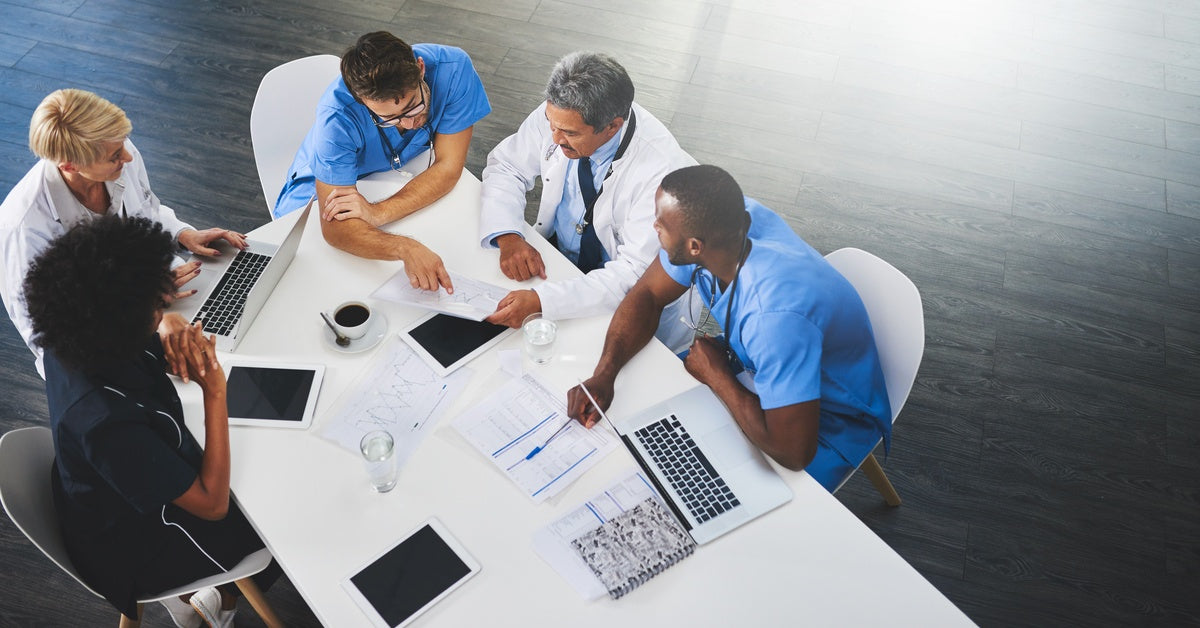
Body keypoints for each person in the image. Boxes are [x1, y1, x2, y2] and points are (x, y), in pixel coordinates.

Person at [566, 165, 893, 490]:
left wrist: (717, 376)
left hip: (827, 423)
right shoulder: (724, 221)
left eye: (660, 224)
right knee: (644, 435)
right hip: (754, 368)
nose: (653, 226)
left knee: (699, 490)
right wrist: (605, 374)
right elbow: (648, 294)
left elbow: (794, 453)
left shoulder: (773, 319)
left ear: (695, 246)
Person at [24, 215, 275, 628]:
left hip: (110, 489)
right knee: (272, 515)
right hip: (138, 545)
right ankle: (218, 599)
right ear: (120, 320)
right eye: (157, 305)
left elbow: (139, 360)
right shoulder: (103, 423)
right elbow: (212, 506)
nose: (164, 308)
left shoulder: (73, 335)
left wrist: (168, 340)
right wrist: (215, 392)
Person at [0, 88, 247, 378]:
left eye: (124, 144)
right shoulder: (23, 230)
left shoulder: (116, 152)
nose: (128, 157)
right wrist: (146, 318)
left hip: (165, 299)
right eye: (115, 156)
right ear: (70, 165)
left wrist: (180, 233)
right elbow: (49, 341)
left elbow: (145, 211)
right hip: (110, 353)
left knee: (238, 332)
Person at [479, 52, 697, 352]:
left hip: (630, 297)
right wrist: (507, 234)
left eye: (569, 133)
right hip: (561, 264)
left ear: (612, 126)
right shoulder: (561, 114)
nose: (554, 139)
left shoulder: (663, 175)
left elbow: (635, 274)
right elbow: (507, 167)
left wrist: (545, 302)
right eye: (550, 124)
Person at [275, 31, 492, 292]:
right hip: (312, 198)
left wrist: (377, 212)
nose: (410, 123)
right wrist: (405, 248)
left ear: (420, 68)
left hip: (388, 180)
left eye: (414, 106)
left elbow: (448, 167)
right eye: (388, 118)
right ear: (362, 103)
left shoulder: (454, 70)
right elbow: (335, 230)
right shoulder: (336, 116)